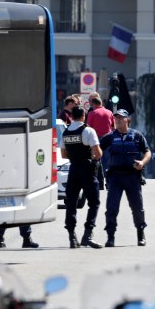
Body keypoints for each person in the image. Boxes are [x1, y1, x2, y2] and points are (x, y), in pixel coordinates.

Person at [100, 109, 151, 247]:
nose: (117, 121)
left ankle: (141, 233)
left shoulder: (136, 135)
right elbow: (97, 148)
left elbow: (147, 151)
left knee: (137, 207)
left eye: (121, 119)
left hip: (132, 176)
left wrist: (142, 163)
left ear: (127, 120)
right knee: (111, 208)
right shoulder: (110, 137)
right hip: (115, 177)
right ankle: (110, 236)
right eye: (115, 118)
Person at [60, 106, 103, 249]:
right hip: (87, 169)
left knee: (71, 202)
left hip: (73, 170)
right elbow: (97, 153)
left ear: (71, 116)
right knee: (94, 202)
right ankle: (87, 235)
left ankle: (72, 237)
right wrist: (92, 157)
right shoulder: (88, 130)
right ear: (84, 116)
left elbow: (63, 155)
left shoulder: (66, 132)